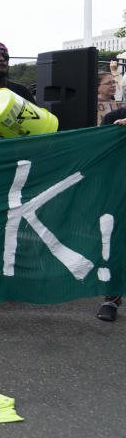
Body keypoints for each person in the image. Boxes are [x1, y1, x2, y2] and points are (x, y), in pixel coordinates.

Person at [96, 105, 126, 321]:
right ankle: (111, 300)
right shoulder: (114, 117)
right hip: (119, 190)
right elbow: (99, 151)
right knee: (116, 243)